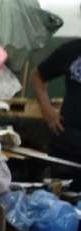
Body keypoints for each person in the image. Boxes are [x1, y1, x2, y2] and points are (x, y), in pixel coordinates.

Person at [31, 38, 81, 171]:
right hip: (68, 143)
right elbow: (37, 77)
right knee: (60, 190)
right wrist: (48, 112)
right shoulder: (72, 50)